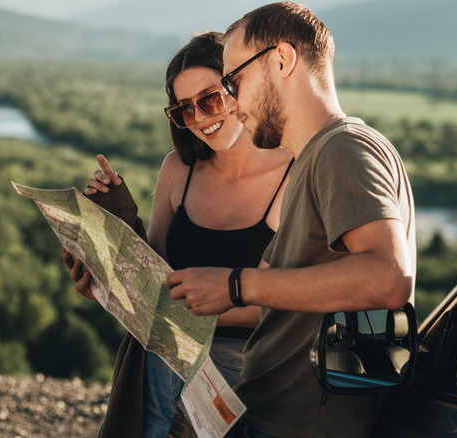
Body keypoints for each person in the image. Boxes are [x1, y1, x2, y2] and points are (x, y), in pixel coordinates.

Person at [165, 3, 416, 438]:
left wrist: (235, 285)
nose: (232, 102)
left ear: (282, 60)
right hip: (268, 413)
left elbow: (389, 277)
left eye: (234, 81)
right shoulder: (313, 158)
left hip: (299, 424)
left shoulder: (343, 149)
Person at [63, 31, 294, 437]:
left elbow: (286, 306)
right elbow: (155, 274)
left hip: (250, 361)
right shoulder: (177, 169)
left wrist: (182, 311)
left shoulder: (293, 175)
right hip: (171, 350)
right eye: (185, 108)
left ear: (239, 87)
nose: (201, 117)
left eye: (210, 98)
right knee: (160, 357)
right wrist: (106, 268)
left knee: (163, 358)